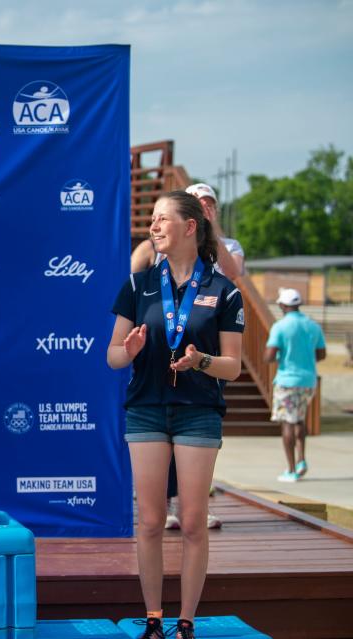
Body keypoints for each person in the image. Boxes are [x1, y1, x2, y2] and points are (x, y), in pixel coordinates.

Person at [108, 191, 244, 639]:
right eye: (152, 218)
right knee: (148, 522)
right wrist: (126, 351)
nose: (153, 226)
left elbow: (234, 366)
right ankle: (152, 618)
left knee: (191, 522)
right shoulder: (137, 284)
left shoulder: (223, 290)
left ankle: (186, 622)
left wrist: (199, 361)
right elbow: (111, 356)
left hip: (198, 413)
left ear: (190, 227)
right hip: (145, 410)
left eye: (163, 219)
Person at [133, 183, 236, 531]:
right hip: (162, 343)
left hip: (204, 331)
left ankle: (191, 505)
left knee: (197, 433)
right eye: (196, 202)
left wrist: (209, 228)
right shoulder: (158, 242)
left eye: (208, 204)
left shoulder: (228, 244)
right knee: (158, 437)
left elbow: (232, 272)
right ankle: (163, 506)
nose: (202, 206)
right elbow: (135, 273)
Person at [264, 288, 326, 482]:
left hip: (287, 380)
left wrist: (283, 355)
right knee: (298, 420)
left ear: (282, 305)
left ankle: (291, 470)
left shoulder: (280, 327)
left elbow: (268, 356)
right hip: (308, 381)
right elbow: (321, 354)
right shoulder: (313, 326)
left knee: (288, 423)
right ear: (298, 304)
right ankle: (301, 460)